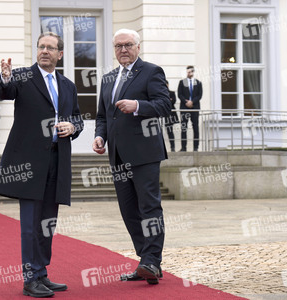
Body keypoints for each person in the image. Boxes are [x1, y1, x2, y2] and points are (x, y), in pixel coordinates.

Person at [0, 32, 83, 298]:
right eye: (41, 47)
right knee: (31, 224)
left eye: (50, 48)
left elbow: (77, 118)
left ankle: (42, 273)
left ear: (60, 54)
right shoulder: (22, 77)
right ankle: (30, 278)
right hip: (29, 163)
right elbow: (6, 91)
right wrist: (6, 77)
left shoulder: (67, 85)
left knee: (48, 222)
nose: (44, 51)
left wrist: (73, 126)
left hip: (57, 159)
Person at [93, 28, 171, 285]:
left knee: (149, 207)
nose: (123, 50)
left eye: (128, 45)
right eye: (118, 46)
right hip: (117, 155)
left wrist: (137, 106)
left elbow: (164, 105)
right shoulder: (108, 78)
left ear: (138, 47)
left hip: (145, 152)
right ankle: (145, 261)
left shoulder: (151, 71)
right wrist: (100, 136)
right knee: (128, 210)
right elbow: (103, 115)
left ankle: (152, 260)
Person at [177, 65, 202, 151]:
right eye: (187, 71)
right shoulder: (182, 82)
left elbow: (199, 95)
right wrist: (186, 101)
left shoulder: (198, 83)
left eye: (190, 71)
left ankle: (196, 147)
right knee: (184, 127)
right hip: (184, 107)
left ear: (193, 72)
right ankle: (183, 147)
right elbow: (179, 94)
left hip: (195, 108)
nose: (189, 73)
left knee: (195, 127)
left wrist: (192, 102)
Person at [164, 81, 179, 152]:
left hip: (171, 114)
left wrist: (166, 101)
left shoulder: (172, 93)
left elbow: (173, 102)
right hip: (163, 114)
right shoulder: (161, 93)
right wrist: (168, 100)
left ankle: (172, 147)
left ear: (168, 85)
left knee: (170, 131)